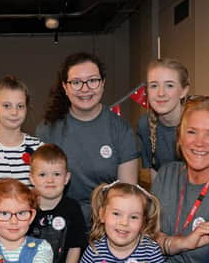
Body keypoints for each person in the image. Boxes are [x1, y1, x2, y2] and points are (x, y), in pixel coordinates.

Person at [36, 52, 140, 226]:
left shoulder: (121, 129)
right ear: (65, 87)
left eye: (92, 80)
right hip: (60, 226)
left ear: (103, 83)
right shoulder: (47, 130)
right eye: (76, 82)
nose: (85, 89)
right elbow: (38, 188)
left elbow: (127, 195)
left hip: (106, 228)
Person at [152, 95, 209, 263]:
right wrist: (182, 243)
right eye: (192, 132)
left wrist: (165, 241)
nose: (199, 142)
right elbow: (144, 237)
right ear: (180, 137)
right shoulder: (166, 175)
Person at [75, 181, 167, 263]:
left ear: (143, 222)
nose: (124, 222)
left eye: (133, 217)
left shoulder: (151, 251)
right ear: (102, 214)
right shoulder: (94, 251)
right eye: (116, 214)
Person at [28, 144, 87, 263]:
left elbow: (75, 249)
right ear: (32, 179)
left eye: (57, 174)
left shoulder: (72, 208)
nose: (50, 180)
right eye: (42, 175)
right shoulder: (25, 207)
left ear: (66, 178)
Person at [0, 76, 42, 186]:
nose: (14, 112)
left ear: (27, 108)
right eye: (6, 106)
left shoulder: (38, 148)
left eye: (20, 106)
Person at [137, 58, 190, 180]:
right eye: (154, 86)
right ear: (147, 91)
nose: (161, 93)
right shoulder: (145, 126)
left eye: (169, 85)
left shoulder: (197, 125)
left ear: (183, 91)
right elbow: (155, 175)